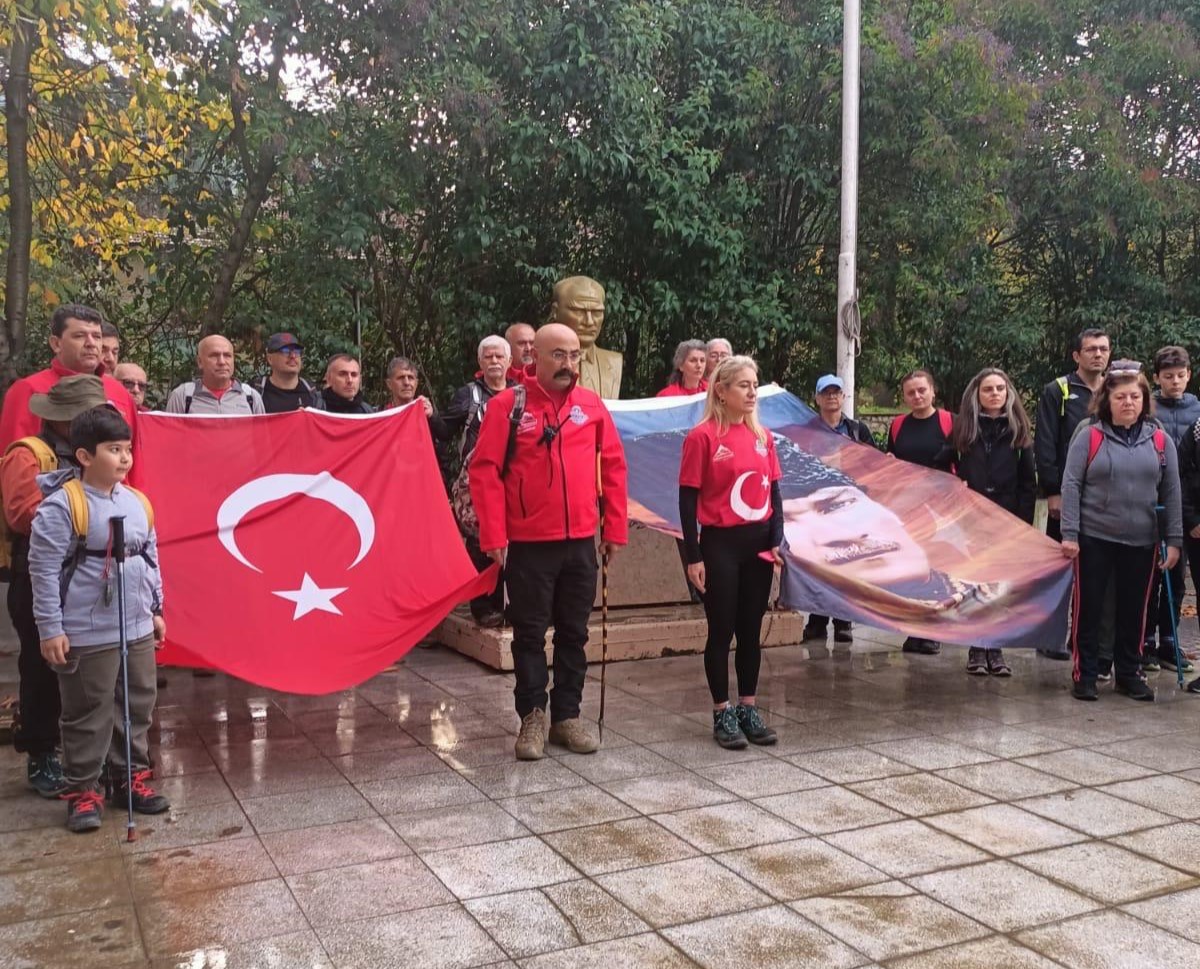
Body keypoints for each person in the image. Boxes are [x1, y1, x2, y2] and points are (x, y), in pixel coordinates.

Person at [470, 323, 628, 760]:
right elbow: (484, 471)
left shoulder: (591, 406)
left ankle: (568, 716)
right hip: (529, 543)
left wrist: (613, 528)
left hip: (580, 542)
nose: (568, 364)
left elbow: (613, 467)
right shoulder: (509, 405)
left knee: (575, 633)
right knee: (529, 634)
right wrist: (494, 534)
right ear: (533, 359)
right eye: (558, 355)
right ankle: (532, 717)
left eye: (574, 355)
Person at [29, 406, 169, 832]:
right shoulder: (63, 506)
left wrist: (157, 609)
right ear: (85, 456)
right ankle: (83, 789)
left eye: (127, 449)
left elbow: (151, 556)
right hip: (88, 630)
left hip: (137, 624)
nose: (124, 459)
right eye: (113, 450)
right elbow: (43, 569)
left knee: (137, 703)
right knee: (88, 709)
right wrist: (50, 627)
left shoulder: (137, 501)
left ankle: (129, 778)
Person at [1, 376, 110, 798]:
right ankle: (40, 751)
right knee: (42, 666)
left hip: (86, 576)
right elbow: (21, 515)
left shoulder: (99, 453)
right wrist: (81, 515)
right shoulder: (30, 456)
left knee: (86, 665)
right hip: (40, 575)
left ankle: (82, 749)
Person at [1060, 361, 1181, 702]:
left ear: (1144, 400)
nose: (1128, 402)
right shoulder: (1090, 435)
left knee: (1135, 610)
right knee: (1090, 608)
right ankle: (1085, 674)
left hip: (1142, 539)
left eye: (1134, 396)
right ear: (1107, 401)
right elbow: (1071, 484)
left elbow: (1171, 492)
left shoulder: (1160, 440)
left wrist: (1173, 541)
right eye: (1120, 397)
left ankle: (1129, 673)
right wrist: (1070, 533)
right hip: (1094, 538)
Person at [679, 355, 782, 749]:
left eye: (754, 385)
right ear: (721, 391)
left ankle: (748, 707)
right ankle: (722, 711)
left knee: (751, 632)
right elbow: (687, 500)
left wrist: (777, 539)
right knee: (721, 631)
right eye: (743, 385)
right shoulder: (702, 437)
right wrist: (693, 556)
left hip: (757, 546)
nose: (752, 392)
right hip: (719, 545)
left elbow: (775, 492)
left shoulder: (763, 437)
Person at [1034, 328, 1111, 659]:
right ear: (1076, 356)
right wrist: (1053, 492)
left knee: (1092, 573)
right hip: (1065, 497)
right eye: (1091, 349)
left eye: (1103, 349)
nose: (1098, 354)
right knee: (1060, 570)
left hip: (1102, 499)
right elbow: (1046, 443)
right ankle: (1050, 637)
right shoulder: (1059, 390)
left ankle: (1080, 639)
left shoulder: (1115, 390)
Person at [954, 367, 1036, 676]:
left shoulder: (1018, 432)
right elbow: (944, 463)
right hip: (972, 519)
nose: (995, 394)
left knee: (999, 585)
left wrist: (1022, 526)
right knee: (976, 582)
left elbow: (1029, 483)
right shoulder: (965, 429)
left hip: (1006, 517)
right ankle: (977, 647)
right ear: (977, 394)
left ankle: (996, 648)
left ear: (1008, 393)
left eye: (1000, 388)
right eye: (988, 389)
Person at [442, 336, 517, 627]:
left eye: (500, 357)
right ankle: (484, 606)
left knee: (514, 541)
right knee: (480, 539)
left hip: (513, 477)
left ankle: (511, 603)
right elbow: (444, 430)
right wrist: (423, 414)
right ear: (480, 362)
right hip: (477, 478)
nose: (495, 362)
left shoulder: (521, 394)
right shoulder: (468, 395)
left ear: (510, 362)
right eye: (489, 357)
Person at [803, 373, 878, 645]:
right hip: (817, 506)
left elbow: (874, 466)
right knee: (818, 564)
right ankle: (817, 619)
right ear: (817, 398)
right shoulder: (807, 431)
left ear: (844, 396)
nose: (832, 397)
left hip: (849, 507)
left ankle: (843, 621)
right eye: (826, 393)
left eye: (836, 392)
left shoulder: (858, 430)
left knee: (846, 563)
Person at [0, 304, 138, 452]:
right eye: (79, 336)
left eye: (97, 337)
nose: (91, 343)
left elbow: (134, 457)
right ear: (56, 343)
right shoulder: (28, 390)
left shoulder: (119, 392)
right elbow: (14, 462)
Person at [886, 369, 955, 655]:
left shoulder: (950, 422)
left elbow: (961, 461)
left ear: (932, 391)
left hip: (940, 509)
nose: (917, 396)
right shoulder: (898, 425)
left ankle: (933, 630)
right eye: (911, 392)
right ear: (904, 396)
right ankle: (914, 629)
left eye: (921, 390)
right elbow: (891, 461)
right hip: (906, 509)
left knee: (936, 569)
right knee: (912, 570)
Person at [1142, 346, 1200, 671]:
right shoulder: (1147, 408)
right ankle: (1146, 642)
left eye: (1180, 376)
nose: (1175, 382)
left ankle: (1170, 642)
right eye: (1168, 376)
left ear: (1189, 375)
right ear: (1156, 378)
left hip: (1185, 507)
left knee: (1177, 580)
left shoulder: (1197, 411)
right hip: (1153, 502)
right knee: (1151, 576)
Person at [165, 335, 266, 415]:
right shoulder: (183, 396)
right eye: (214, 356)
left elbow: (262, 438)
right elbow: (169, 438)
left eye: (227, 356)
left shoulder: (251, 397)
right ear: (200, 362)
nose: (222, 362)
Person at [256, 332, 322, 412]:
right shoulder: (255, 393)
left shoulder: (314, 393)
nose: (293, 356)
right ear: (270, 359)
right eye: (286, 351)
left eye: (297, 351)